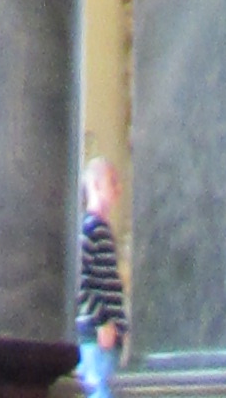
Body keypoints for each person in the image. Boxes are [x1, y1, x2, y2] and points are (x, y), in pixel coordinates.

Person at [76, 154, 128, 396]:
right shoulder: (90, 229)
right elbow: (78, 281)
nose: (119, 188)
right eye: (113, 181)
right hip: (98, 338)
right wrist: (102, 321)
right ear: (96, 185)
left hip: (108, 336)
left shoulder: (101, 229)